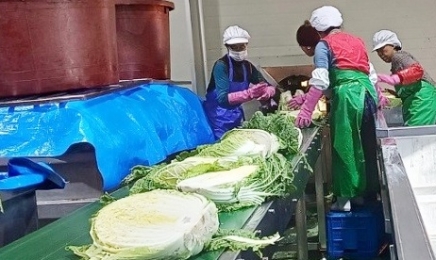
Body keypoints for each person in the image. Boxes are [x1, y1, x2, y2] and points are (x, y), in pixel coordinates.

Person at [295, 6, 381, 211]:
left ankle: (344, 200)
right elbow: (371, 74)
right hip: (368, 95)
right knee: (366, 145)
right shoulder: (357, 40)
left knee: (344, 145)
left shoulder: (323, 45)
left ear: (318, 30)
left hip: (348, 98)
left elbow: (321, 80)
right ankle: (363, 194)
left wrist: (306, 109)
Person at [203, 25, 276, 140]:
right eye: (234, 47)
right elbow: (222, 99)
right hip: (217, 118)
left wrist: (268, 91)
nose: (239, 50)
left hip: (235, 115)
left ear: (246, 45)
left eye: (241, 46)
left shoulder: (248, 67)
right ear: (227, 47)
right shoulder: (221, 66)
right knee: (220, 147)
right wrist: (249, 94)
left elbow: (267, 84)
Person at [373, 29, 436, 126]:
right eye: (378, 52)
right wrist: (395, 94)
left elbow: (417, 70)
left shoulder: (399, 56)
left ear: (393, 45)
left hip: (422, 101)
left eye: (383, 50)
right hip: (416, 102)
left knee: (417, 135)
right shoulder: (395, 64)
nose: (381, 54)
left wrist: (394, 79)